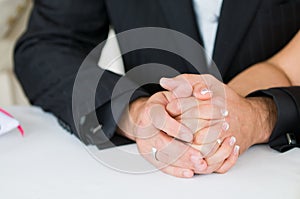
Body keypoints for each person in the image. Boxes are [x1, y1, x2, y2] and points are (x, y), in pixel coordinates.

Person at [14, 0, 300, 178]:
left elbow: (284, 70)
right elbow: (47, 47)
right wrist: (133, 111)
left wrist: (262, 114)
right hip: (156, 178)